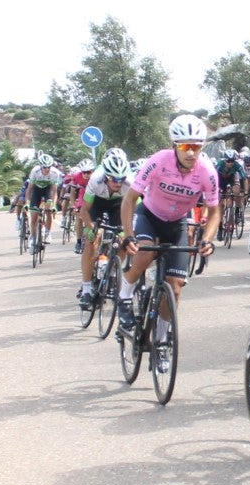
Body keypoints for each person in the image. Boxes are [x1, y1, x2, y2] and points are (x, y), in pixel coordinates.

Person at [118, 117, 220, 352]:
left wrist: (208, 240)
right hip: (149, 217)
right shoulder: (159, 161)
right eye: (185, 146)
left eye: (196, 146)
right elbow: (130, 199)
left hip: (177, 224)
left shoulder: (207, 171)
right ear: (175, 145)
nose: (191, 152)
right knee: (143, 256)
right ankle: (125, 294)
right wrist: (129, 235)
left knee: (175, 288)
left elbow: (215, 211)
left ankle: (162, 340)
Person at [77, 148, 131, 306]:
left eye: (121, 179)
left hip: (119, 205)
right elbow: (84, 210)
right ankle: (86, 289)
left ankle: (113, 270)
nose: (118, 182)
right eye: (114, 179)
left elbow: (136, 209)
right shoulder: (95, 179)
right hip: (97, 205)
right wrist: (91, 227)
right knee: (91, 240)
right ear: (106, 176)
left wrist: (128, 232)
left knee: (124, 241)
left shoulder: (130, 182)